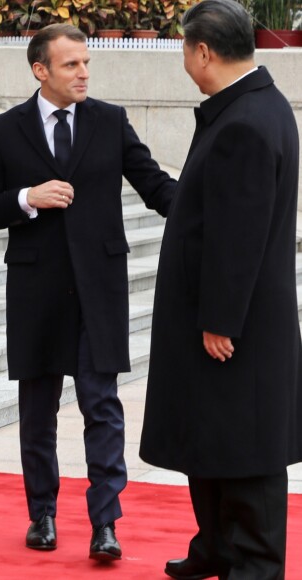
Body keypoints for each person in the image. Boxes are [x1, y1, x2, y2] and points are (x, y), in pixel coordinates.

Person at [0, 23, 175, 561]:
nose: (84, 72)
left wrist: (211, 214)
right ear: (41, 70)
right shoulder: (5, 129)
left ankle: (106, 524)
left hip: (99, 288)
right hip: (35, 288)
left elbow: (155, 186)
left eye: (86, 63)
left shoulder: (110, 121)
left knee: (101, 406)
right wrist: (26, 197)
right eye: (71, 64)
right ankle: (42, 516)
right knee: (38, 409)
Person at [139, 1, 302, 578]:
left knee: (247, 445)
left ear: (203, 51)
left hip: (237, 324)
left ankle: (253, 562)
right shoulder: (248, 107)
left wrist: (220, 319)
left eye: (185, 47)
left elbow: (240, 234)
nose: (184, 57)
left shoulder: (246, 122)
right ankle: (217, 545)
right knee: (210, 436)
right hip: (224, 316)